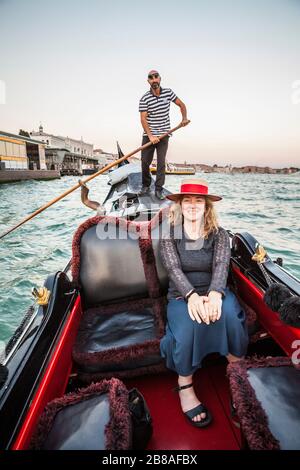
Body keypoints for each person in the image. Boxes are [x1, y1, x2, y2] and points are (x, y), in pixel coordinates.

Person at [159, 178, 248, 427]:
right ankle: (185, 388)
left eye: (199, 200)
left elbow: (221, 264)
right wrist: (191, 296)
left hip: (214, 289)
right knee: (187, 327)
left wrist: (215, 294)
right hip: (181, 294)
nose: (193, 205)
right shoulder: (170, 233)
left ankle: (238, 379)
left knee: (230, 315)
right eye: (188, 200)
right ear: (180, 205)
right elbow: (173, 268)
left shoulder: (219, 234)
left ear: (207, 206)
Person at [138, 70, 189, 200]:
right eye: (151, 78)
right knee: (144, 162)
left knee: (161, 162)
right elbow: (143, 119)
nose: (154, 79)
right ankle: (146, 185)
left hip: (164, 134)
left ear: (160, 79)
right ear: (148, 81)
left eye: (156, 77)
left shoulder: (168, 93)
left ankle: (159, 189)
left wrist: (184, 118)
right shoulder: (144, 98)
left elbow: (181, 104)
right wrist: (150, 136)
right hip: (149, 134)